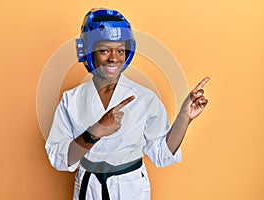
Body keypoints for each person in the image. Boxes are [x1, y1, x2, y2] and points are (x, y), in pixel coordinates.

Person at [45, 8, 210, 200]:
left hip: (130, 188)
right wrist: (95, 132)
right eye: (104, 50)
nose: (114, 58)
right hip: (89, 188)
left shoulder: (144, 98)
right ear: (87, 52)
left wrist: (184, 117)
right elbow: (60, 159)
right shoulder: (71, 100)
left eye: (120, 50)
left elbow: (161, 154)